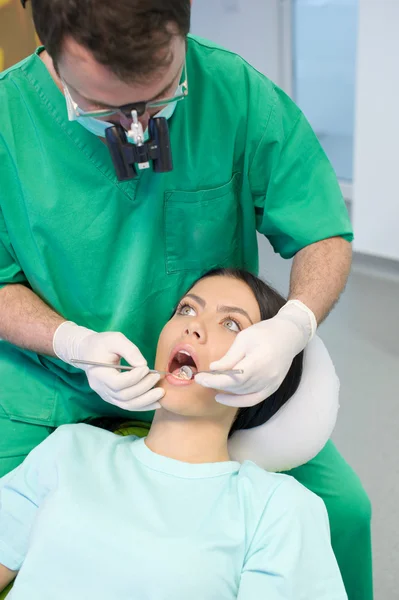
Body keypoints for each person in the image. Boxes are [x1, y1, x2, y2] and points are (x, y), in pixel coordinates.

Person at [0, 2, 371, 599]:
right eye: (108, 109)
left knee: (345, 515)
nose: (139, 128)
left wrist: (293, 325)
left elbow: (321, 230)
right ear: (52, 52)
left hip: (219, 403)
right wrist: (71, 342)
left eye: (162, 97)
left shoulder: (233, 93)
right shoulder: (7, 123)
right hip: (49, 391)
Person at [0, 270, 347, 600]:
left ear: (265, 374)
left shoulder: (277, 509)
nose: (193, 326)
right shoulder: (71, 448)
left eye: (231, 323)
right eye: (186, 309)